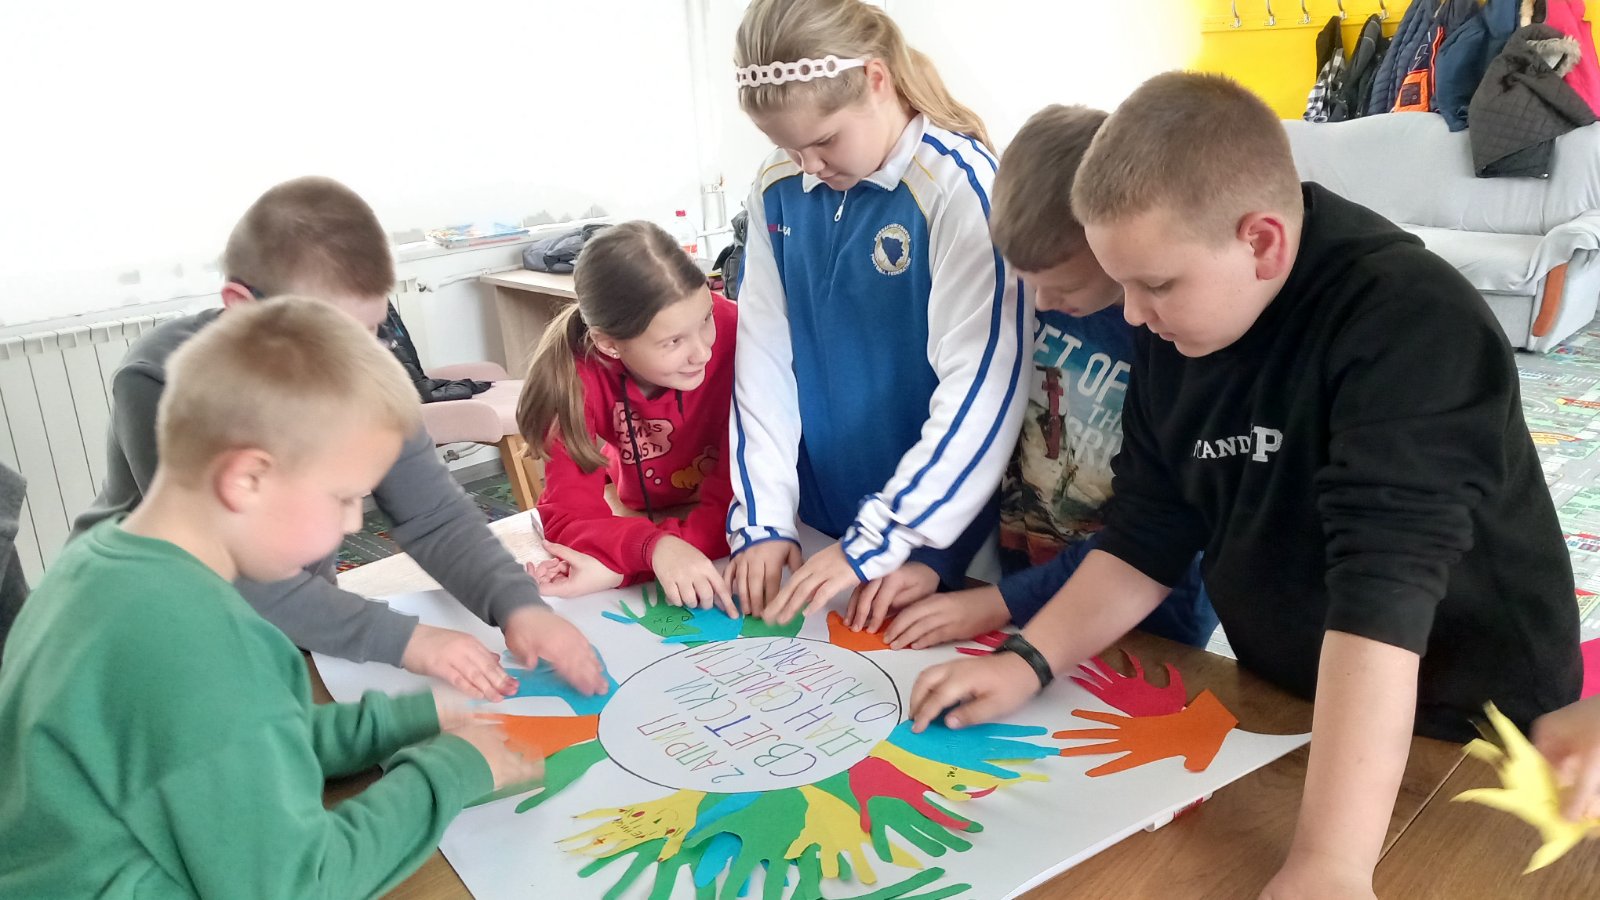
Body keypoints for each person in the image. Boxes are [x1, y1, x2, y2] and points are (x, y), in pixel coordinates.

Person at [909, 72, 1580, 897]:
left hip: (1475, 725)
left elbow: (1382, 597)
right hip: (1296, 696)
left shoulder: (1413, 323)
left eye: (1156, 285)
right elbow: (1147, 536)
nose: (1131, 316)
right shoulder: (1176, 324)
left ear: (1262, 243)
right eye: (1123, 283)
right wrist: (1026, 661)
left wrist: (1331, 864)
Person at [0, 298, 544, 897]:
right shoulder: (199, 644)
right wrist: (454, 768)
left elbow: (238, 741)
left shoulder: (94, 566)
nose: (351, 524)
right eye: (343, 497)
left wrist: (402, 720)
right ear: (247, 479)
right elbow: (296, 884)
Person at [67, 176, 605, 701]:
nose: (361, 354)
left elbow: (434, 515)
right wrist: (405, 640)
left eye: (374, 330)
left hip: (291, 617)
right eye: (336, 332)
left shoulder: (359, 367)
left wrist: (517, 604)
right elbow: (225, 567)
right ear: (243, 307)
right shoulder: (161, 380)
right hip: (144, 634)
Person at [726, 0, 1027, 626]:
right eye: (786, 145)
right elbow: (763, 361)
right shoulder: (777, 185)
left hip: (936, 541)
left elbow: (982, 393)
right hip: (826, 530)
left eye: (824, 140)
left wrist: (891, 535)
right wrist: (763, 516)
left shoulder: (960, 187)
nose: (808, 165)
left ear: (876, 80)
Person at [517, 221, 737, 614]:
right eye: (673, 341)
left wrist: (624, 568)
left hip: (716, 514)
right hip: (639, 510)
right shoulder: (570, 380)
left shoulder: (737, 333)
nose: (702, 351)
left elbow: (742, 511)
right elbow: (565, 519)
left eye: (706, 318)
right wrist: (654, 548)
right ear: (608, 344)